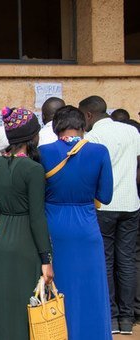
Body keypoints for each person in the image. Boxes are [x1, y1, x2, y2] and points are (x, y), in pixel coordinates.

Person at [38, 105, 113, 339]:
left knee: (57, 284)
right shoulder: (100, 152)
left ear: (55, 127)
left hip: (54, 225)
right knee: (91, 288)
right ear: (83, 126)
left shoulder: (43, 152)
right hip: (86, 226)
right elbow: (106, 196)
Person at [0, 107, 54, 340]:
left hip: (1, 242)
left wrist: (9, 217)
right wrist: (46, 260)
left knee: (4, 302)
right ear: (32, 137)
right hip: (26, 244)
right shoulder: (33, 169)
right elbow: (37, 217)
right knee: (27, 302)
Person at [80, 95, 140, 334]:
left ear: (88, 115)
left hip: (103, 206)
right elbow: (137, 167)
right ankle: (128, 319)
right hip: (131, 203)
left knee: (105, 261)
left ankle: (111, 316)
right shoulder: (132, 132)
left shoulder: (93, 136)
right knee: (127, 261)